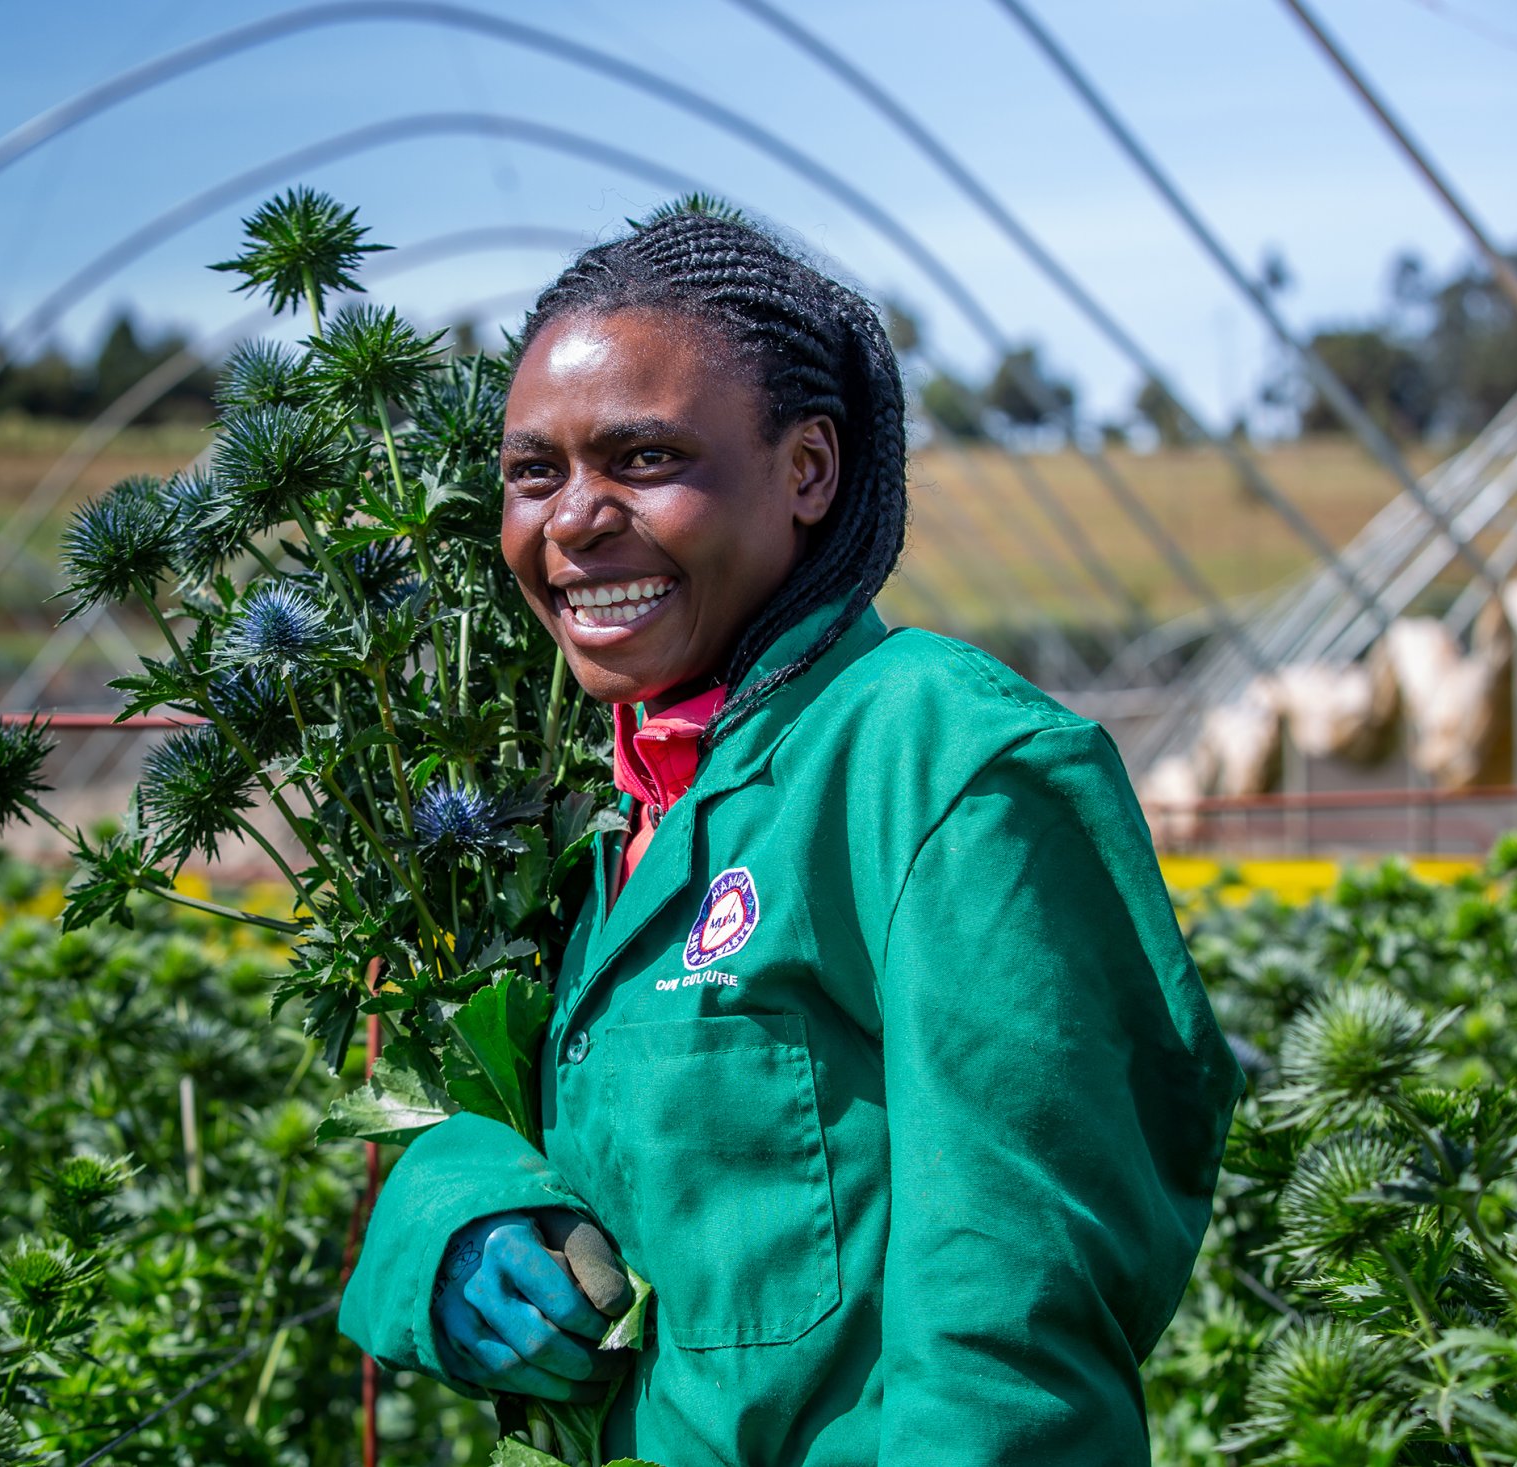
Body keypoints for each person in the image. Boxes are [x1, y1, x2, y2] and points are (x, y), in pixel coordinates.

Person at [337, 206, 1245, 1466]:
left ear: (808, 470)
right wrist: (452, 1226)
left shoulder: (937, 760)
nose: (573, 519)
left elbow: (1012, 1339)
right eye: (533, 471)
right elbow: (518, 1120)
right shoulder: (592, 800)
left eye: (644, 459)